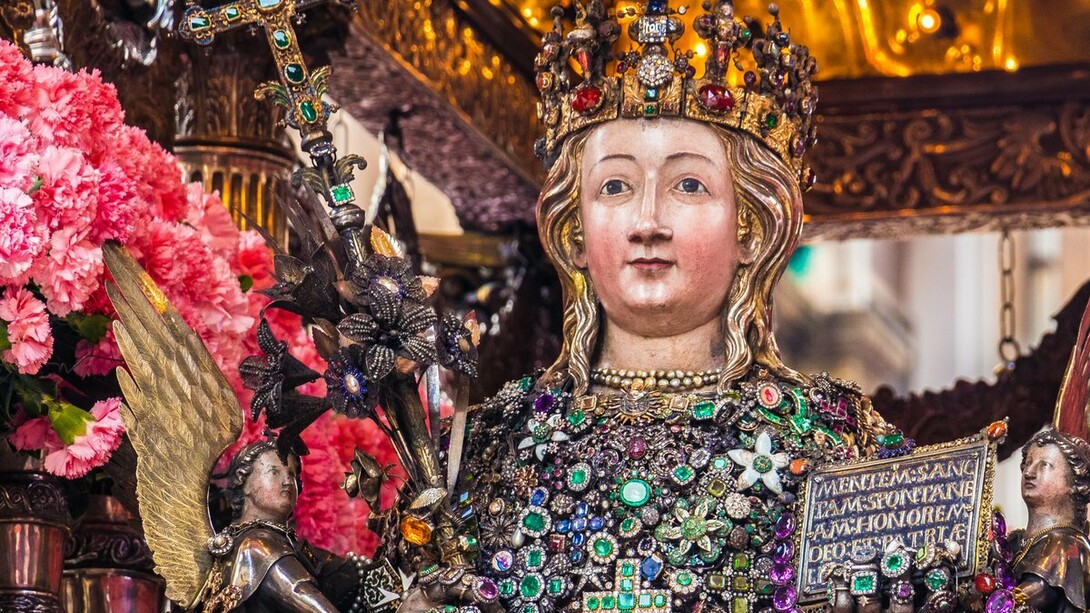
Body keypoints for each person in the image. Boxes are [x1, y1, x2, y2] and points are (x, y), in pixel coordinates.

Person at [398, 1, 905, 611]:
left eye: (689, 184)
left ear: (751, 226)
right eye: (615, 186)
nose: (647, 222)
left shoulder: (837, 446)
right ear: (575, 231)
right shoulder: (487, 450)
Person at [196, 440, 361, 612]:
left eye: (291, 474)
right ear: (245, 484)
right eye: (274, 472)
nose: (287, 481)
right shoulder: (256, 546)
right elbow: (308, 599)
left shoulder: (291, 544)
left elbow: (350, 579)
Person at [1009, 429, 1090, 613]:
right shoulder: (1014, 542)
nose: (1028, 472)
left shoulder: (1066, 543)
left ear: (1074, 483)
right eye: (1027, 463)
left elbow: (1031, 595)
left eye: (1044, 465)